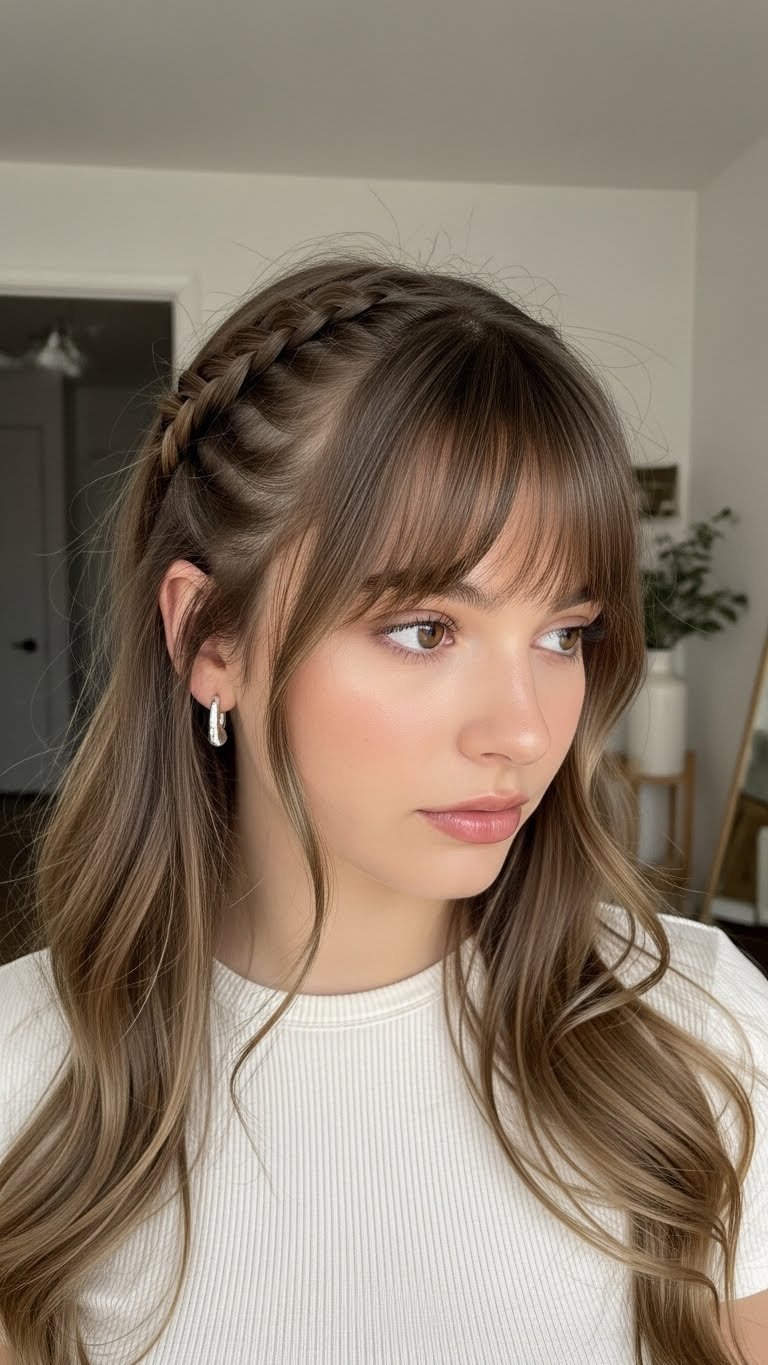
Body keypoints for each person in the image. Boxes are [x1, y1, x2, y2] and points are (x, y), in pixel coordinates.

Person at [0, 249, 766, 1365]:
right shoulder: (27, 1077)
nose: (524, 728)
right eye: (426, 630)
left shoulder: (700, 1037)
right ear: (208, 639)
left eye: (564, 634)